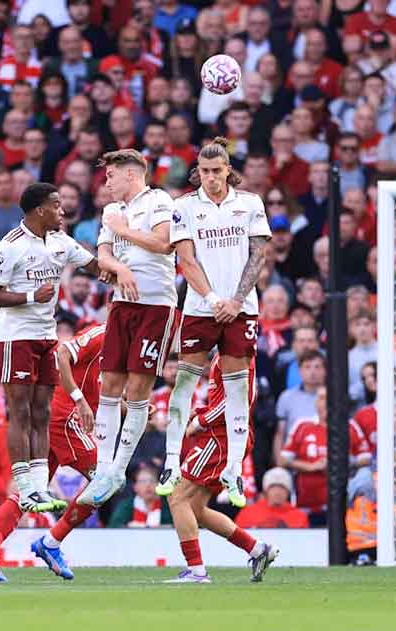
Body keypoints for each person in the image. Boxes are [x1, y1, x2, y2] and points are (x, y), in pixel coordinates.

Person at [155, 138, 271, 511]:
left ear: (227, 170)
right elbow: (186, 261)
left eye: (216, 171)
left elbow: (258, 255)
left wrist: (235, 301)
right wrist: (213, 301)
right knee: (184, 381)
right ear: (198, 173)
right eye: (204, 171)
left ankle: (234, 469)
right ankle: (170, 462)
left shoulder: (250, 203)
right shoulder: (184, 207)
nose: (211, 178)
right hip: (201, 308)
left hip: (241, 308)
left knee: (237, 387)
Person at [0, 182, 101, 513]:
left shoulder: (61, 241)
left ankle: (40, 487)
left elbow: (96, 266)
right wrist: (31, 296)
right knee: (20, 411)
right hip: (15, 337)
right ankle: (25, 488)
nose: (62, 211)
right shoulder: (11, 246)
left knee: (42, 412)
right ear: (39, 210)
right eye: (56, 205)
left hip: (46, 336)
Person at [76, 149, 177, 507]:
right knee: (109, 385)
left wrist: (125, 231)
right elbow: (103, 254)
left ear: (131, 174)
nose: (106, 183)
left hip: (155, 304)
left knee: (137, 389)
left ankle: (119, 469)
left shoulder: (159, 201)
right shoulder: (111, 211)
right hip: (122, 303)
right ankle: (104, 470)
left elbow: (163, 243)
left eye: (111, 176)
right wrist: (118, 268)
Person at [0, 323, 104, 582]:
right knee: (106, 480)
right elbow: (62, 353)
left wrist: (134, 408)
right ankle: (51, 542)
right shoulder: (103, 334)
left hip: (59, 419)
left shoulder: (129, 348)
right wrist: (79, 400)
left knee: (30, 492)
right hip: (63, 418)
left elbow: (103, 394)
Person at [163, 355, 278, 583]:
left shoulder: (232, 354)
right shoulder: (232, 352)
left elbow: (235, 401)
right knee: (194, 508)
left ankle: (196, 571)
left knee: (177, 496)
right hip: (225, 436)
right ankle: (257, 549)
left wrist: (201, 421)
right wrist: (202, 411)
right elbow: (229, 397)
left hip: (220, 438)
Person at [234, 467, 309, 528]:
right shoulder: (247, 514)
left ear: (288, 492)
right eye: (273, 487)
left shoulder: (299, 516)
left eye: (282, 487)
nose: (277, 492)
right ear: (266, 491)